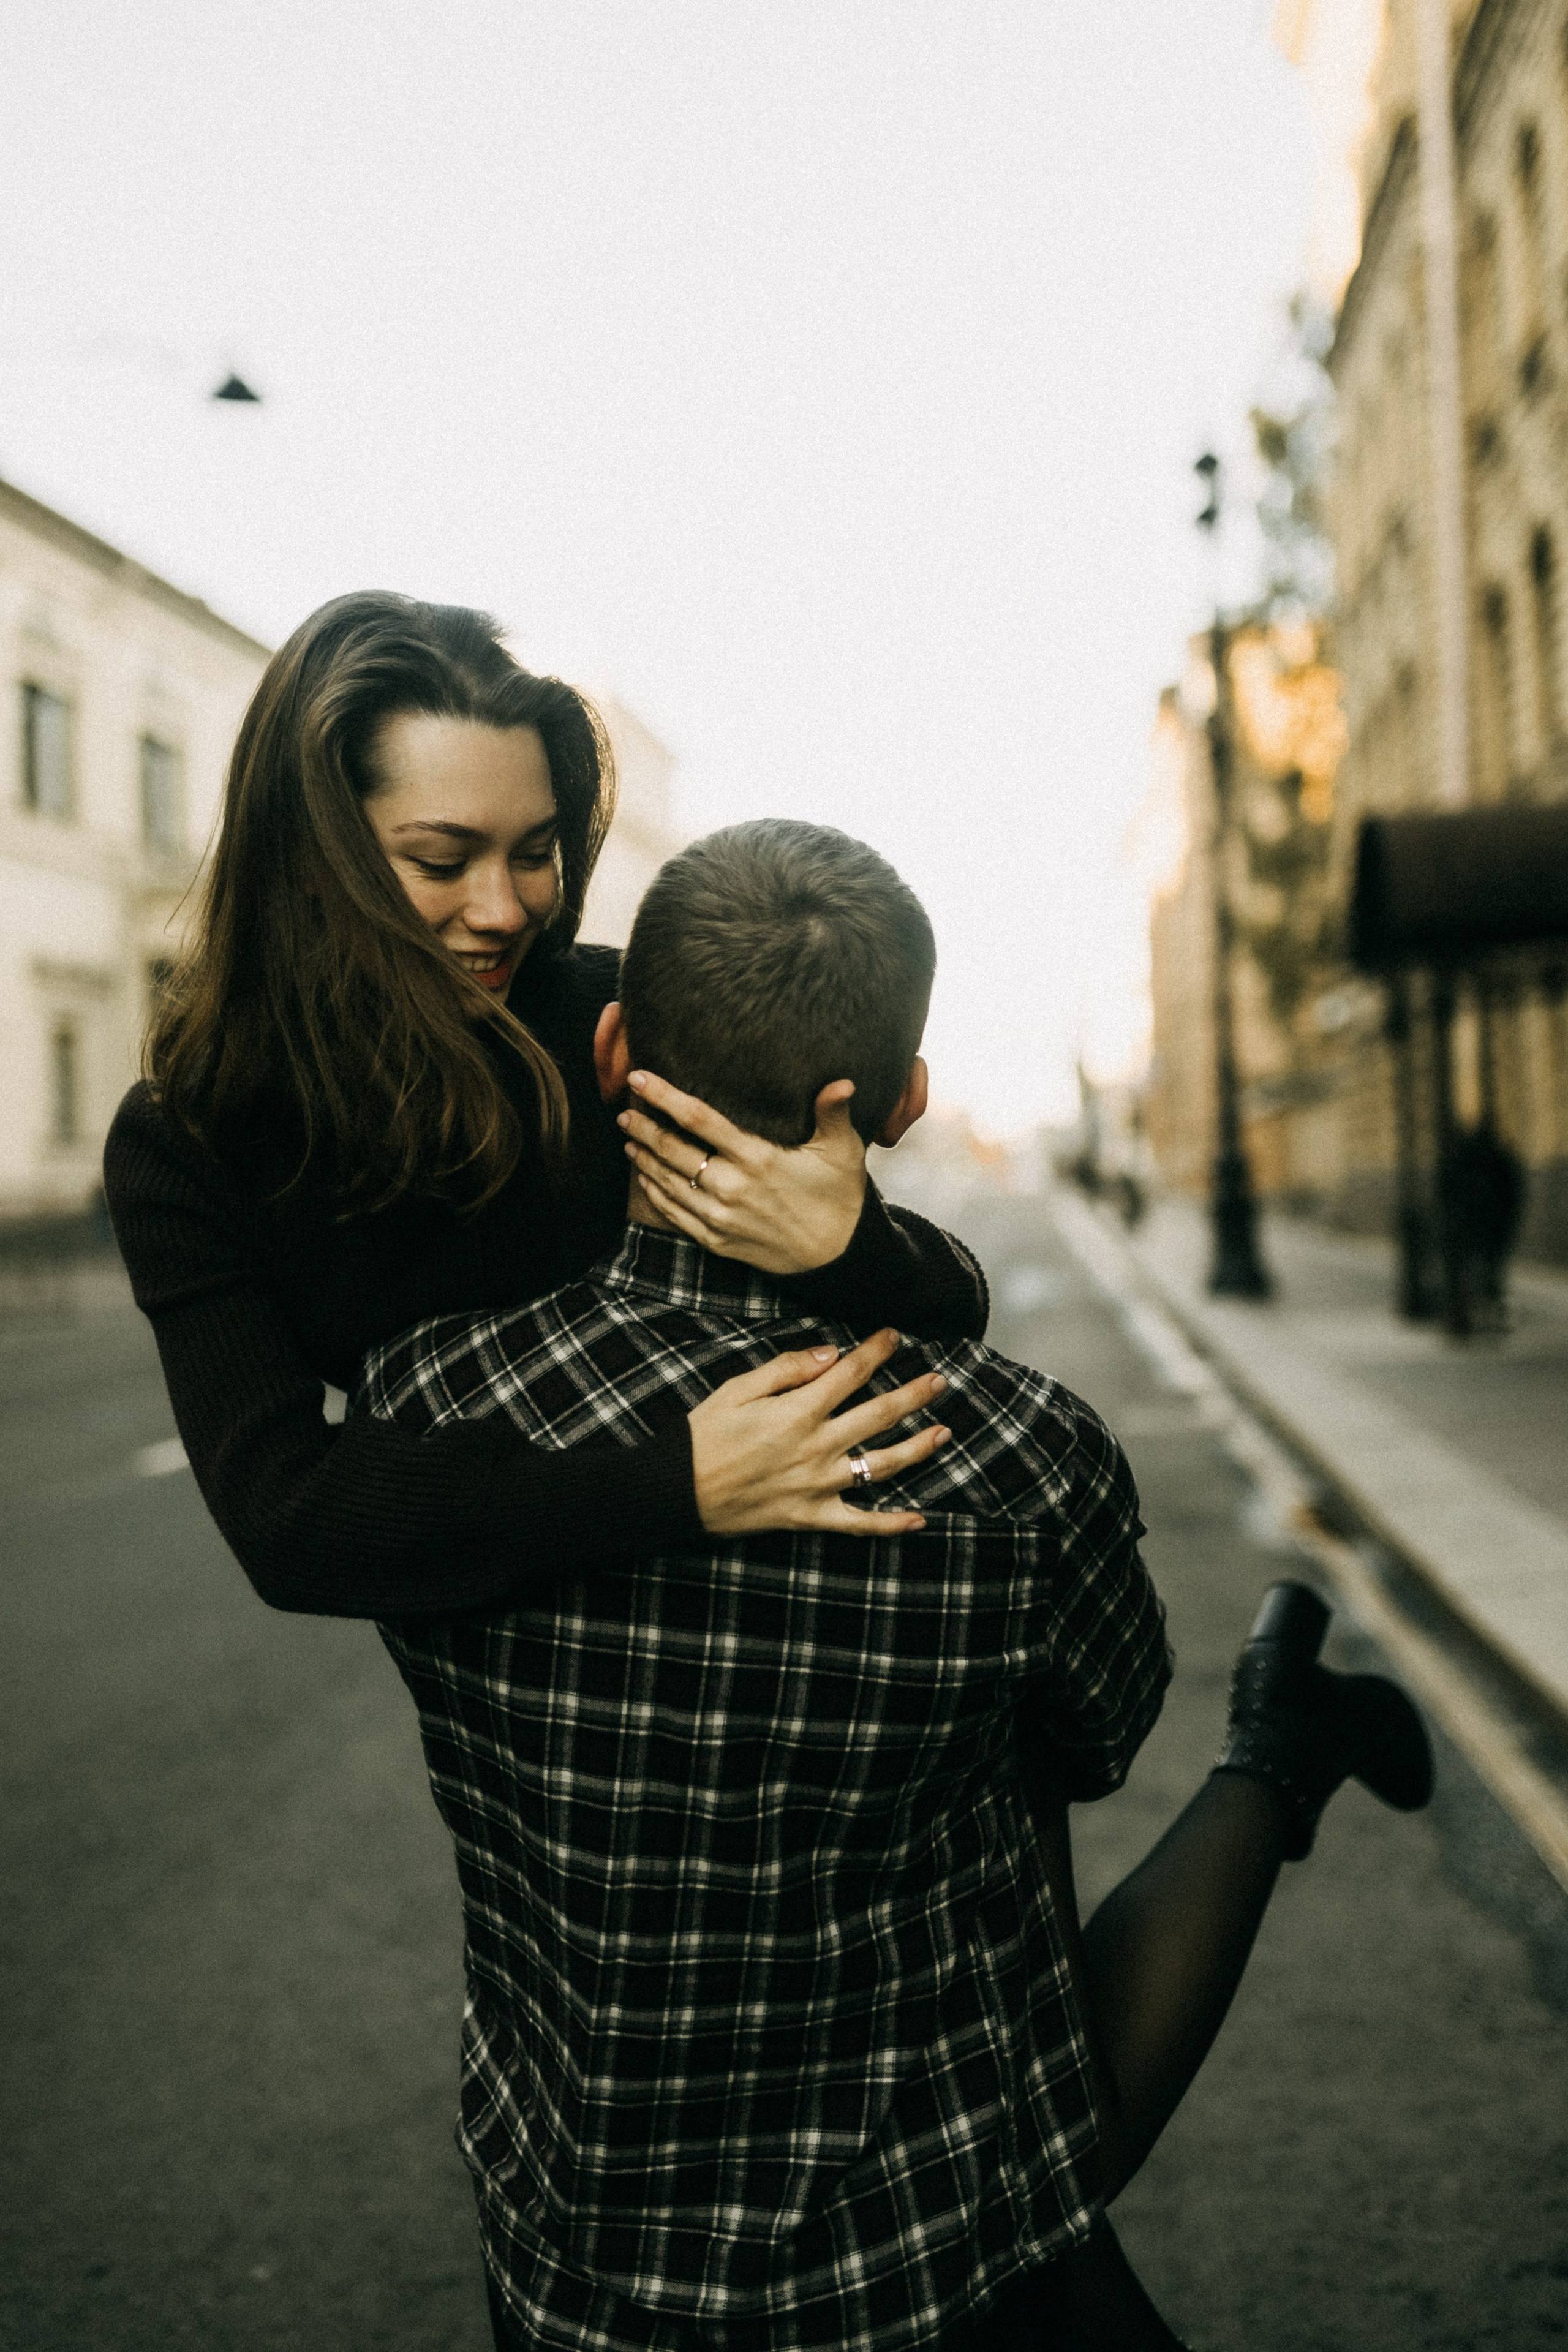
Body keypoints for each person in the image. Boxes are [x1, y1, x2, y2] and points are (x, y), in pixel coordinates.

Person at [360, 819, 1433, 2352]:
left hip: (574, 2234)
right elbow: (1102, 1734)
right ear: (905, 1103)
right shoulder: (1020, 1450)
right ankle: (1274, 1748)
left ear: (610, 1054)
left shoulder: (423, 1399)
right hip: (929, 2238)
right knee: (1001, 1770)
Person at [103, 594, 993, 1627]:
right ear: (310, 855)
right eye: (441, 862)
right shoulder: (191, 1137)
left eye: (535, 852)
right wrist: (673, 1484)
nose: (505, 910)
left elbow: (952, 1308)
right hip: (514, 1654)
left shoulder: (612, 1022)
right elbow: (287, 1521)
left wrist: (849, 1245)